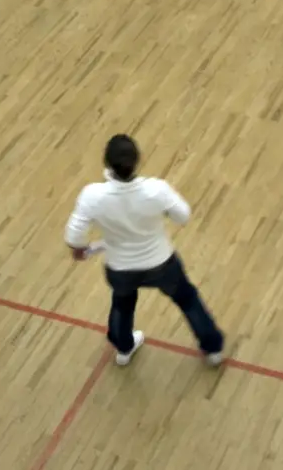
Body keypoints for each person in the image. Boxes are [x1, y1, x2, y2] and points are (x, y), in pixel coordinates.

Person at [63, 134, 225, 367]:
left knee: (122, 304)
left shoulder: (92, 195)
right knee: (188, 300)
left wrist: (78, 250)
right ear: (137, 160)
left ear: (106, 163)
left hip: (120, 269)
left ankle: (124, 349)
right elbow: (183, 216)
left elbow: (73, 235)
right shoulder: (157, 190)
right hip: (162, 264)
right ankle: (212, 350)